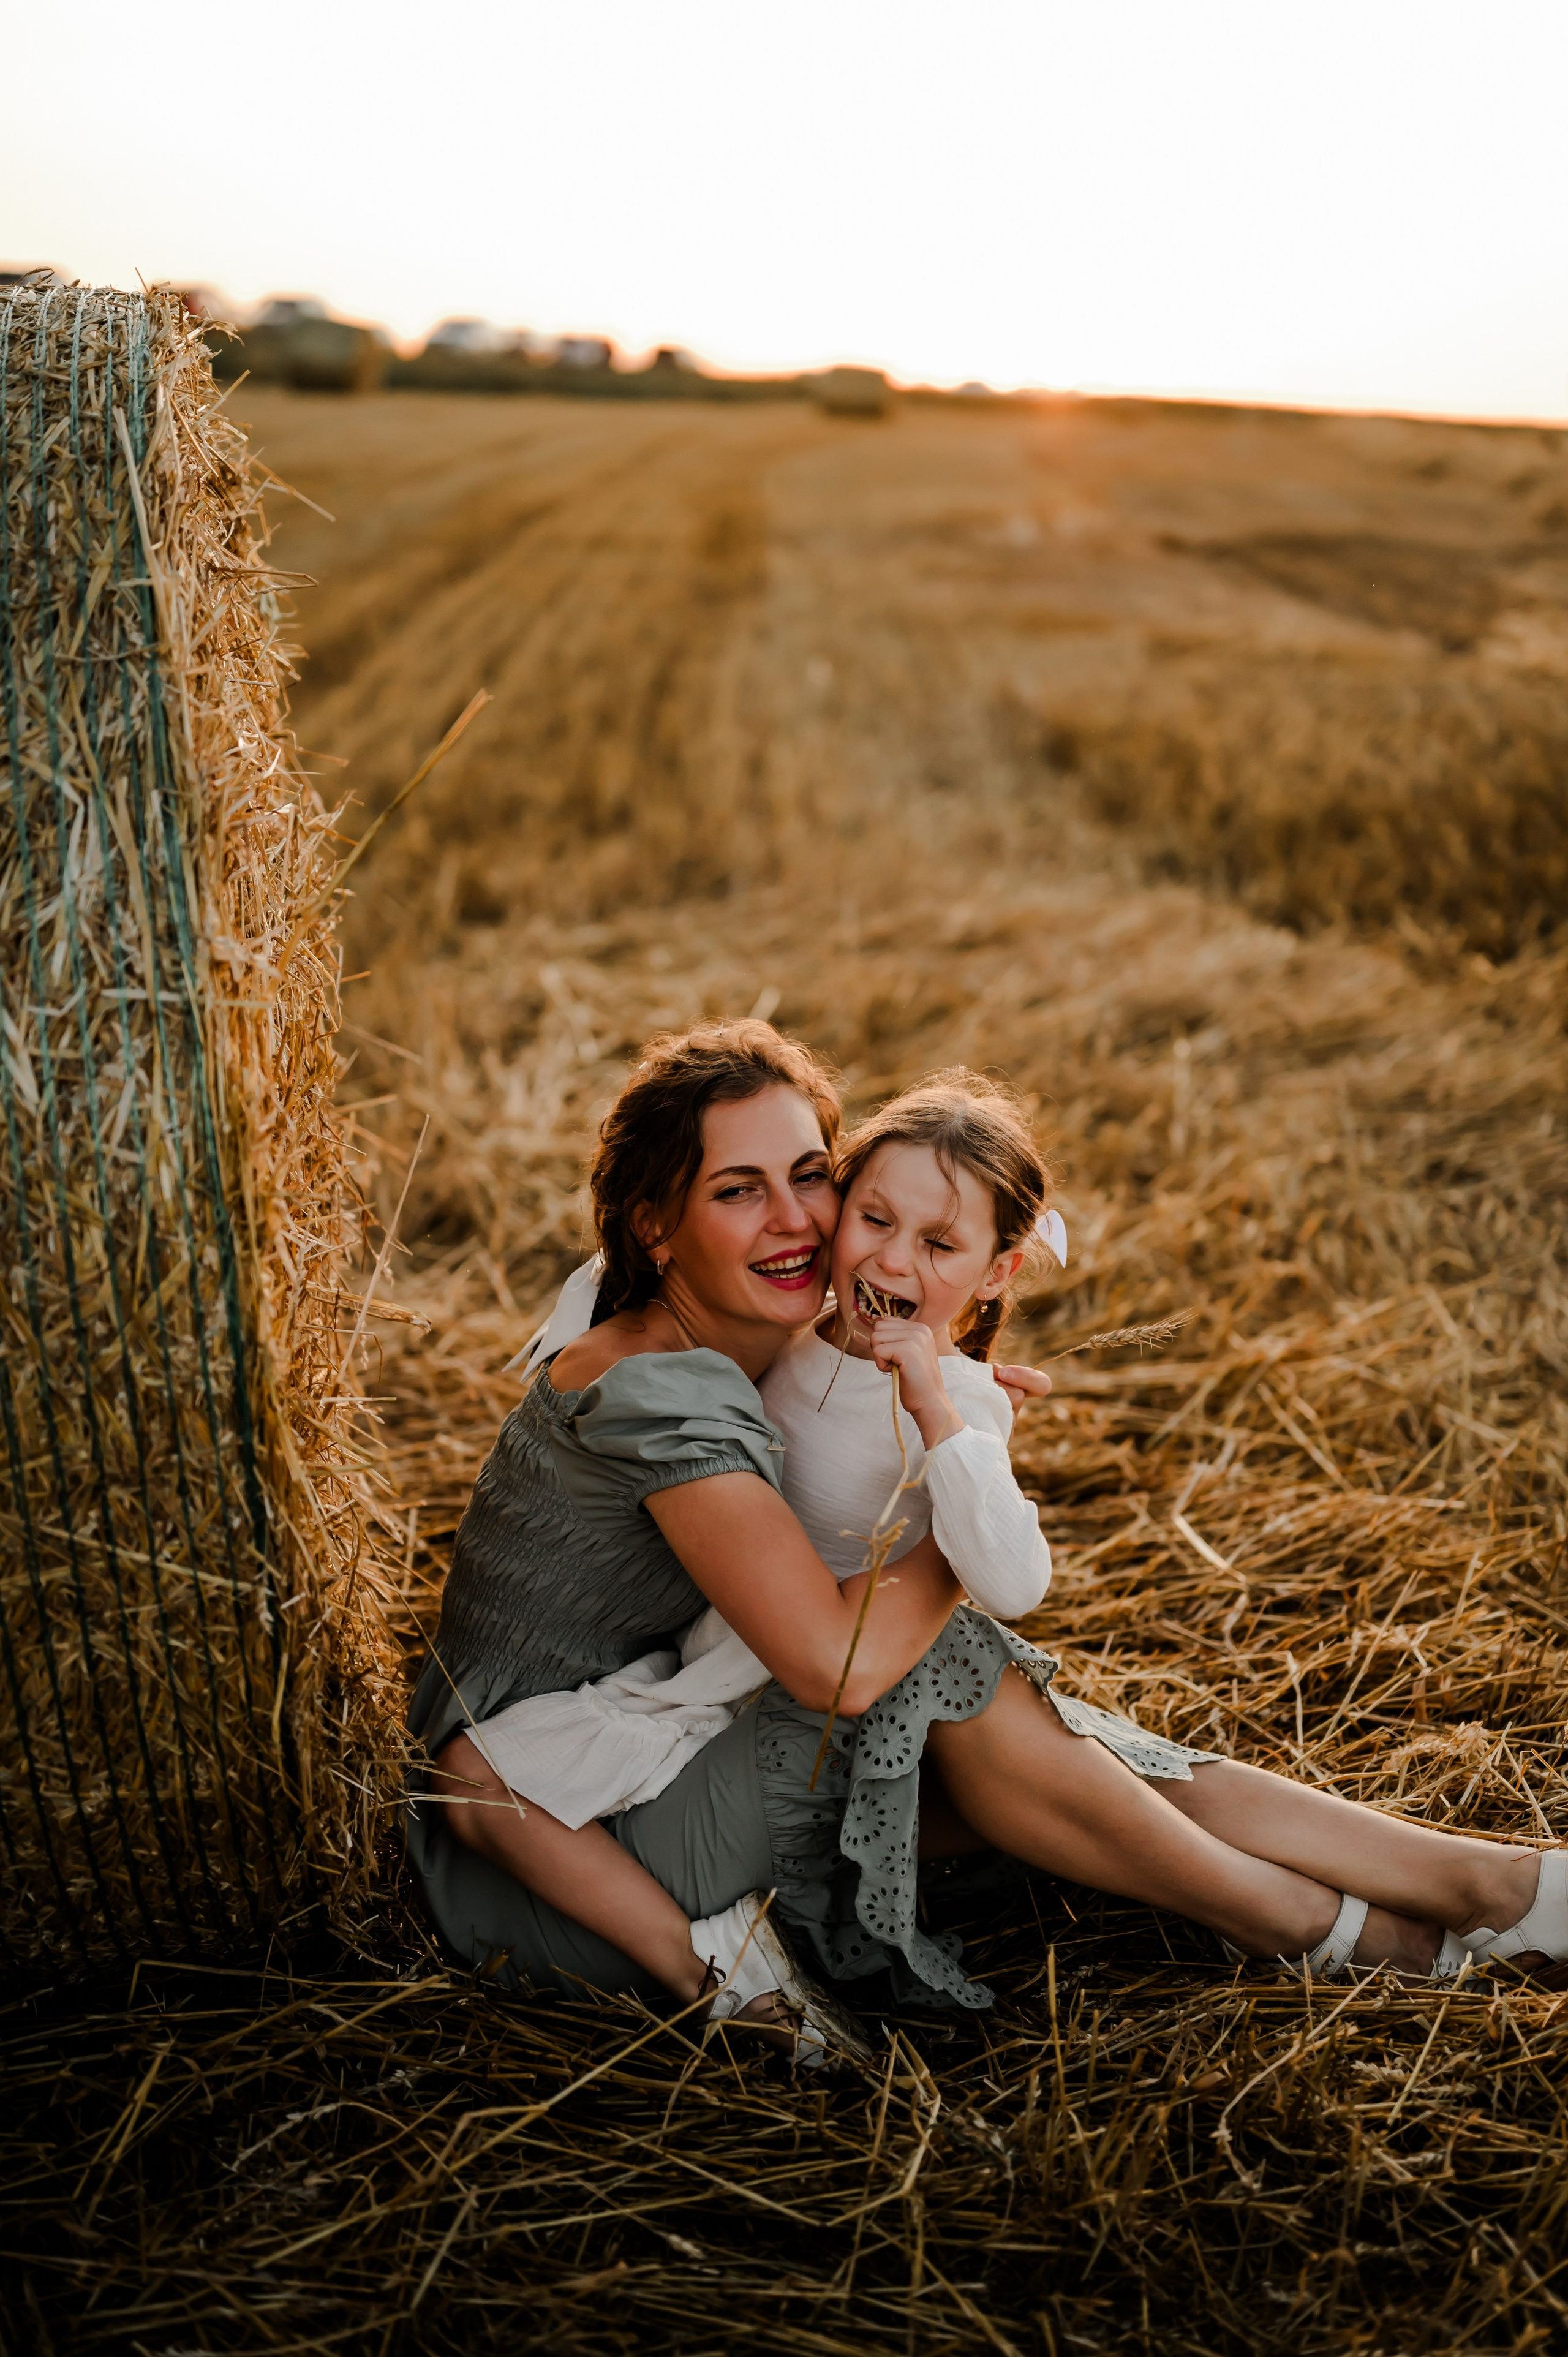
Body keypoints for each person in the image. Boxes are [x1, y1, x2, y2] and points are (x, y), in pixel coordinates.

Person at [408, 1025, 1568, 2057]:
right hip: (563, 1830)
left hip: (659, 1735)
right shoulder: (669, 1391)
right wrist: (955, 1503)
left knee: (1041, 1743)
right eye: (739, 1191)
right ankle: (1326, 1921)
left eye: (813, 1176)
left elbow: (833, 1395)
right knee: (952, 1672)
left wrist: (930, 1402)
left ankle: (1472, 1889)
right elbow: (836, 1664)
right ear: (656, 1223)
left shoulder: (707, 1324)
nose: (799, 1221)